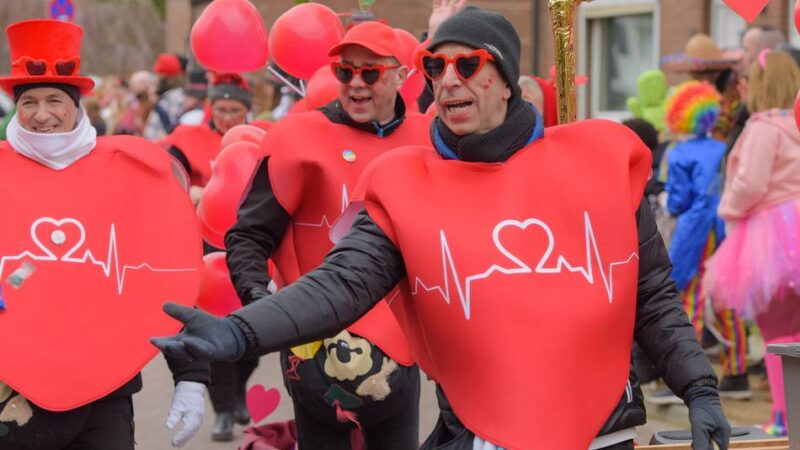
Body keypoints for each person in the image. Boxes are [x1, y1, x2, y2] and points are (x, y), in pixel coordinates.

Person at [153, 8, 730, 450]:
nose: (447, 80)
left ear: (504, 79)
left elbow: (650, 297)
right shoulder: (408, 185)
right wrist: (241, 333)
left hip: (599, 428)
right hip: (482, 428)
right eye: (435, 67)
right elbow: (339, 286)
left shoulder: (595, 163)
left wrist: (698, 388)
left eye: (467, 64)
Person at [221, 20, 431, 450]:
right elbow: (248, 235)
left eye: (370, 72)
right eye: (345, 71)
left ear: (400, 76)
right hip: (314, 344)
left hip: (401, 349)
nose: (356, 83)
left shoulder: (425, 140)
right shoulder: (296, 137)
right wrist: (262, 305)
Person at [0, 19, 207, 449]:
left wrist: (190, 375)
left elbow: (163, 275)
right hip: (11, 395)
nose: (42, 115)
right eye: (29, 102)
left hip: (104, 394)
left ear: (77, 105)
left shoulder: (128, 174)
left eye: (55, 99)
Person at [705, 50, 800, 437]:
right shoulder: (796, 124)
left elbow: (750, 184)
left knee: (776, 333)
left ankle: (784, 415)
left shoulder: (762, 129)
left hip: (772, 234)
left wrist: (728, 208)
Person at [162, 71, 260, 441]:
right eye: (220, 109)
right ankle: (222, 411)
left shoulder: (261, 138)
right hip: (206, 245)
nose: (227, 116)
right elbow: (167, 173)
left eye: (235, 109)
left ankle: (237, 391)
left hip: (252, 244)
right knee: (216, 327)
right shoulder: (188, 139)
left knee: (253, 328)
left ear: (248, 110)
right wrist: (191, 191)